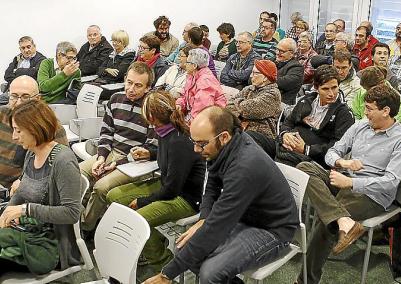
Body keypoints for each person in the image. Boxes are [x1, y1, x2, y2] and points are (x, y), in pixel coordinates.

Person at [144, 106, 298, 284]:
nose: (195, 149)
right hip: (246, 217)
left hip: (273, 230)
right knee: (184, 249)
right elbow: (212, 183)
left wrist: (166, 275)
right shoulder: (227, 145)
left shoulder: (245, 166)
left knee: (211, 273)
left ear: (223, 137)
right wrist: (204, 217)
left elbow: (218, 227)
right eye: (193, 141)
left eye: (201, 143)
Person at [295, 83, 401, 284]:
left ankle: (306, 281)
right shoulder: (360, 125)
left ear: (386, 111)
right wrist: (342, 162)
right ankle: (344, 221)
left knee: (327, 223)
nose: (364, 112)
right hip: (345, 178)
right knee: (305, 167)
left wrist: (351, 182)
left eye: (369, 109)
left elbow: (390, 182)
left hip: (372, 195)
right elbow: (333, 151)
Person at [106, 91, 205, 280]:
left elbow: (171, 190)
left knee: (137, 220)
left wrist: (143, 201)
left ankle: (163, 263)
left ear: (151, 117)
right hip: (169, 186)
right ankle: (151, 243)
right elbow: (168, 162)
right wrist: (150, 154)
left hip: (185, 199)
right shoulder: (165, 131)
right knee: (113, 196)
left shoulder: (178, 140)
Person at [0, 100, 81, 275]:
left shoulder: (63, 161)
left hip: (50, 245)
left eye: (18, 130)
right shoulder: (31, 151)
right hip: (30, 229)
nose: (14, 136)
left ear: (35, 128)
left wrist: (25, 210)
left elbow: (72, 213)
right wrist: (8, 213)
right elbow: (22, 191)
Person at [79, 62, 155, 232]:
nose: (131, 89)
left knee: (101, 187)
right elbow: (106, 133)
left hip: (134, 162)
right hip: (112, 152)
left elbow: (149, 147)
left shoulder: (150, 108)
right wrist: (101, 158)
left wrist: (116, 164)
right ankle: (72, 214)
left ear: (148, 88)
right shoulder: (115, 100)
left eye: (138, 85)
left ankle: (85, 227)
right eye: (129, 82)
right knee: (76, 172)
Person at [276, 65, 354, 167]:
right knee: (255, 139)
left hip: (313, 159)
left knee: (284, 157)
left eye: (334, 88)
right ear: (316, 88)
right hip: (290, 144)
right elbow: (288, 122)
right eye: (325, 89)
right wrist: (285, 135)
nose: (331, 93)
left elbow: (337, 147)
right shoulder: (307, 100)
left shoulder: (344, 113)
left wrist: (306, 149)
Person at [0, 75, 68, 189]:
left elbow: (60, 168)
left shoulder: (50, 127)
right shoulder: (2, 115)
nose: (18, 102)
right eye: (14, 96)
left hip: (18, 191)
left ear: (37, 99)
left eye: (25, 97)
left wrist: (23, 182)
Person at [226, 59, 281, 158]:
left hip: (261, 136)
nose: (251, 76)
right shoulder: (249, 89)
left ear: (265, 77)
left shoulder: (273, 94)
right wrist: (241, 106)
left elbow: (250, 109)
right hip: (242, 129)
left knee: (241, 139)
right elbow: (228, 106)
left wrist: (238, 104)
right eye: (252, 72)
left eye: (255, 73)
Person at [176, 48, 226, 123]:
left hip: (209, 120)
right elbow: (185, 96)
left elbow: (201, 111)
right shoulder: (192, 76)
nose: (185, 64)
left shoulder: (205, 81)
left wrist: (188, 124)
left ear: (194, 66)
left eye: (187, 62)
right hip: (193, 114)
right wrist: (180, 104)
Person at [275, 38, 304, 107]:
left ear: (291, 53)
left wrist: (265, 78)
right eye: (277, 49)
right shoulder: (272, 60)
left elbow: (283, 83)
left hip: (282, 103)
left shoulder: (297, 67)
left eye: (281, 51)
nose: (277, 53)